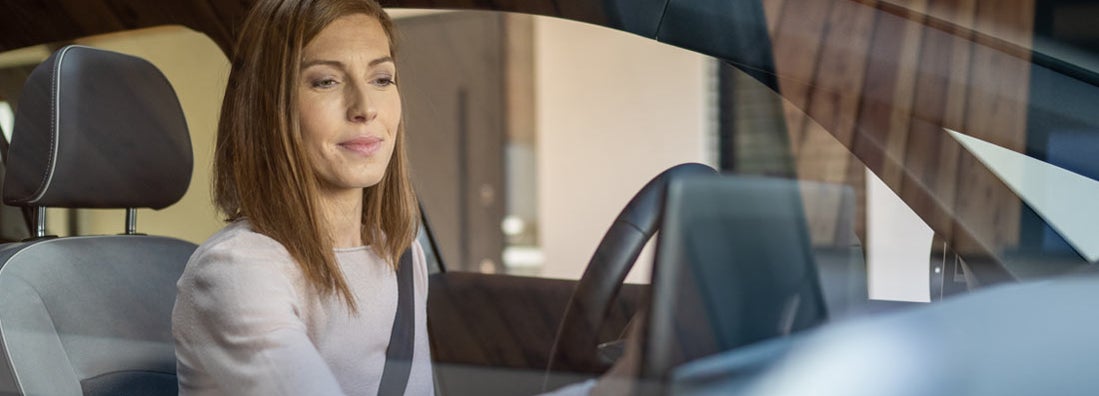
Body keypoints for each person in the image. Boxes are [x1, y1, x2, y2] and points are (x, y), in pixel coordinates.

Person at [171, 0, 430, 394]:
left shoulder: (401, 254)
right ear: (271, 107)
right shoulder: (236, 270)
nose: (365, 108)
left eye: (381, 79)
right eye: (326, 81)